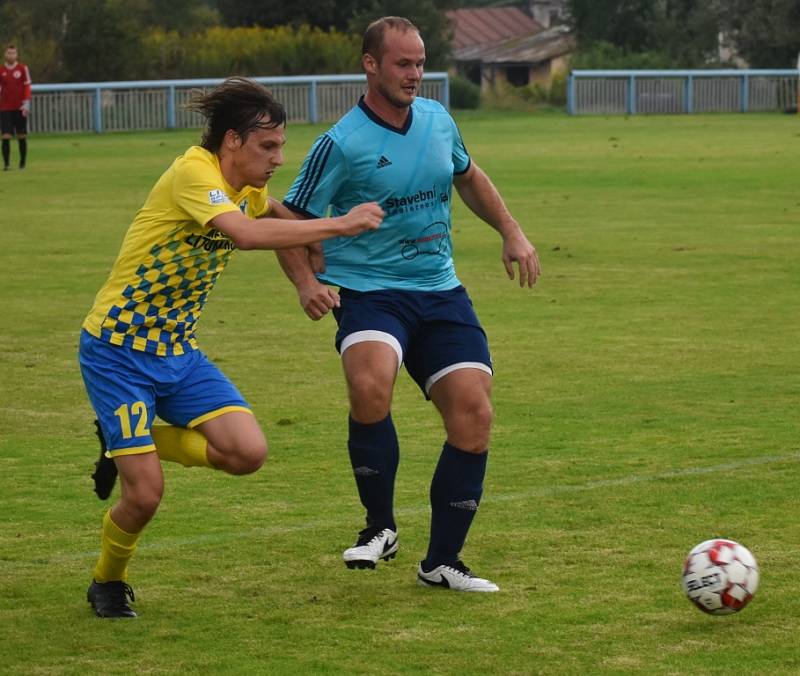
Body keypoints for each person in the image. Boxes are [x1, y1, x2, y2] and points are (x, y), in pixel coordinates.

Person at [79, 77, 383, 618]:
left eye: (281, 147)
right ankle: (107, 580)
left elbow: (270, 216)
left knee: (248, 453)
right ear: (231, 142)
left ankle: (125, 439)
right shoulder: (194, 172)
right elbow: (244, 233)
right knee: (145, 494)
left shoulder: (244, 188)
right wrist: (338, 225)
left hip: (177, 351)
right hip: (117, 350)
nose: (278, 158)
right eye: (268, 146)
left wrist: (308, 269)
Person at [277, 17, 540, 592]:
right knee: (370, 381)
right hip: (371, 293)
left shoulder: (439, 120)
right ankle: (380, 526)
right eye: (403, 63)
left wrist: (510, 230)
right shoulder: (340, 143)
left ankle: (442, 562)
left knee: (475, 413)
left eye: (420, 63)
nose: (415, 74)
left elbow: (467, 176)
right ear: (371, 64)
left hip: (440, 291)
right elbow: (289, 219)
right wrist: (304, 282)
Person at [0, 44, 32, 171]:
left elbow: (27, 85)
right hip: (5, 108)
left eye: (13, 53)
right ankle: (6, 164)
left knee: (21, 135)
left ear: (16, 55)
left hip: (20, 107)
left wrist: (27, 102)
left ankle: (22, 162)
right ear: (5, 54)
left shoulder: (23, 68)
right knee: (5, 136)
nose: (11, 55)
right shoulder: (1, 70)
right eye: (9, 53)